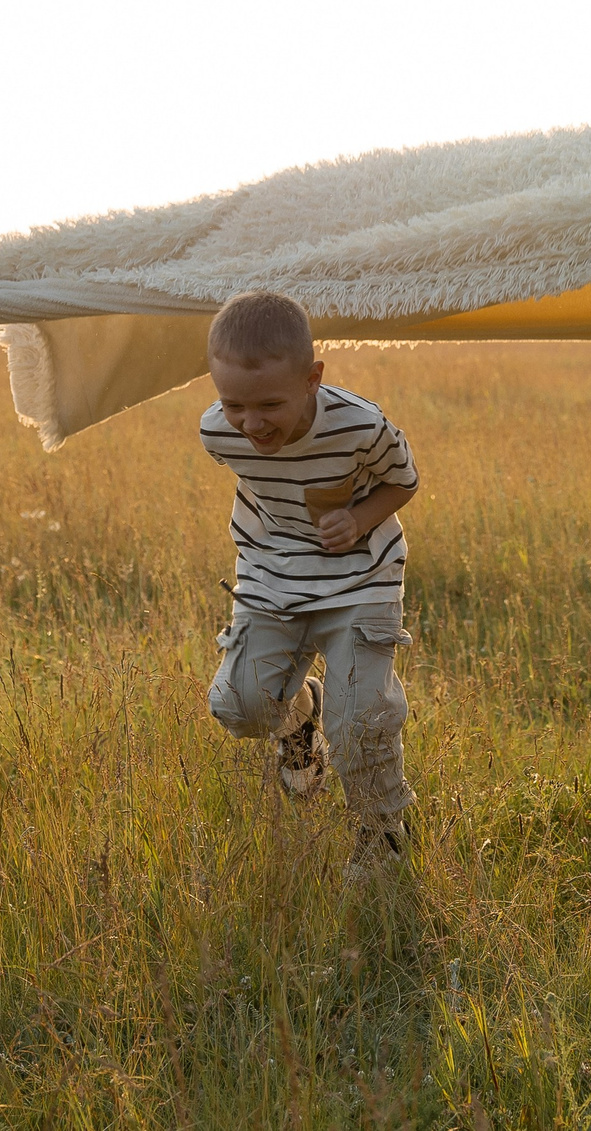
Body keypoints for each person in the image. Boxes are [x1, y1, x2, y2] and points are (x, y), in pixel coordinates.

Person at [200, 291, 422, 883]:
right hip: (272, 576)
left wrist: (359, 517)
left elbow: (404, 482)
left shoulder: (361, 425)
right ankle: (301, 717)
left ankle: (382, 837)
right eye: (234, 405)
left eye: (270, 404)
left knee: (361, 720)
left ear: (312, 379)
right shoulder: (216, 433)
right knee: (239, 706)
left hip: (360, 576)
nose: (251, 425)